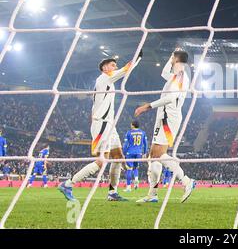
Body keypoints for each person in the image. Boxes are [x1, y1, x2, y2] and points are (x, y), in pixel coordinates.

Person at [58, 51, 142, 201]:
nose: (115, 67)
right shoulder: (104, 78)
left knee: (117, 157)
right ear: (104, 68)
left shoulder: (107, 83)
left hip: (110, 125)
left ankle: (112, 193)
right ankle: (68, 184)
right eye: (112, 65)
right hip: (102, 124)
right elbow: (126, 69)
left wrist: (128, 167)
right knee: (102, 161)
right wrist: (137, 58)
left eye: (115, 65)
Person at [135, 49, 195, 203]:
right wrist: (171, 57)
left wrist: (148, 106)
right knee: (153, 156)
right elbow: (163, 73)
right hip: (162, 116)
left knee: (159, 154)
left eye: (172, 58)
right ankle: (153, 194)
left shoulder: (181, 76)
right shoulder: (175, 75)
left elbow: (171, 97)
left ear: (176, 59)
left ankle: (186, 180)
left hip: (169, 117)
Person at [123, 120, 148, 192]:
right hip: (139, 153)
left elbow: (125, 144)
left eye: (131, 124)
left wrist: (124, 153)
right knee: (136, 167)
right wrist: (144, 152)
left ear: (133, 125)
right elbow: (145, 144)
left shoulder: (129, 133)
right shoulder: (143, 133)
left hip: (130, 152)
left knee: (129, 169)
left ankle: (128, 187)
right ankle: (136, 179)